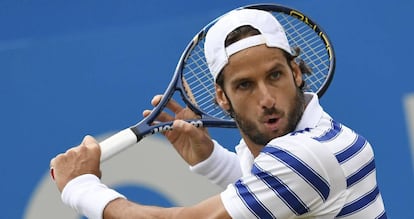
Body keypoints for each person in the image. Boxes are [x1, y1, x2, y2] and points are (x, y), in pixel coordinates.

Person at [50, 8, 387, 219]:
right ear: (222, 98)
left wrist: (81, 188)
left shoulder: (305, 156)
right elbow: (276, 191)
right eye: (245, 85)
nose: (267, 98)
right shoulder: (317, 139)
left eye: (275, 76)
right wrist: (212, 161)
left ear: (296, 73)